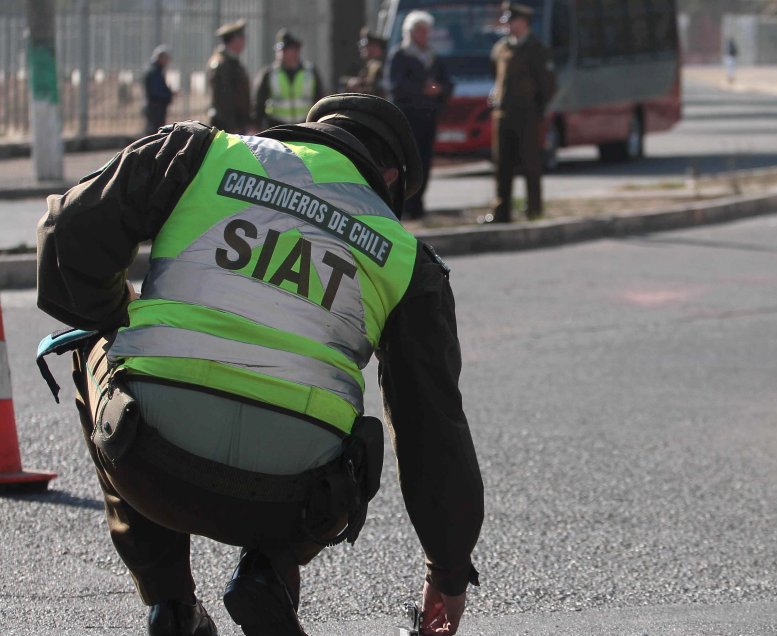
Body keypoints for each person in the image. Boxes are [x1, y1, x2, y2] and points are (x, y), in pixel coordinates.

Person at [35, 94, 484, 636]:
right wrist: (448, 575)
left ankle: (171, 606)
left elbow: (67, 234)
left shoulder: (200, 153)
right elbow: (432, 432)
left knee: (95, 340)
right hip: (294, 501)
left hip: (147, 461)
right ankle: (266, 574)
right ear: (388, 176)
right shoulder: (407, 260)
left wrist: (116, 314)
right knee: (351, 429)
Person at [487, 2, 555, 224]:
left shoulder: (536, 49)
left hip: (526, 116)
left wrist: (536, 110)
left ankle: (533, 210)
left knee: (530, 164)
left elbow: (547, 86)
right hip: (503, 115)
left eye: (512, 20)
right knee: (502, 165)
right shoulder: (500, 48)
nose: (507, 24)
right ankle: (502, 211)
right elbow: (495, 75)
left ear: (524, 22)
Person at [387, 10, 453, 220]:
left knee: (424, 162)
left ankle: (418, 205)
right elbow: (396, 85)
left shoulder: (433, 57)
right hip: (408, 117)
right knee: (407, 163)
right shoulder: (401, 55)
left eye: (427, 31)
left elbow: (448, 83)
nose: (425, 35)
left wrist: (439, 89)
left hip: (428, 116)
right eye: (421, 31)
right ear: (411, 32)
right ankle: (404, 205)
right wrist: (421, 89)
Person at [254, 29, 326, 130]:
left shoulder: (310, 71)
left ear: (296, 51)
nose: (281, 54)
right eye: (280, 50)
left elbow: (320, 99)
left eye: (286, 50)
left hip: (305, 125)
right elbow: (259, 103)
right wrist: (256, 125)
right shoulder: (269, 73)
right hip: (276, 126)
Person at [207, 19, 251, 134]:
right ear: (234, 40)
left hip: (234, 124)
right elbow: (224, 100)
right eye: (242, 38)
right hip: (226, 126)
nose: (244, 41)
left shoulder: (232, 61)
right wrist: (233, 128)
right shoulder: (222, 64)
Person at [344, 27, 388, 98]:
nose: (362, 48)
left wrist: (360, 90)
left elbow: (380, 92)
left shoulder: (383, 66)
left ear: (376, 47)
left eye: (366, 45)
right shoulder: (369, 66)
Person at [143, 45, 174, 135]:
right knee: (153, 133)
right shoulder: (154, 71)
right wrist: (168, 94)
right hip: (155, 108)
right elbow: (156, 91)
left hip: (156, 107)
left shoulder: (156, 70)